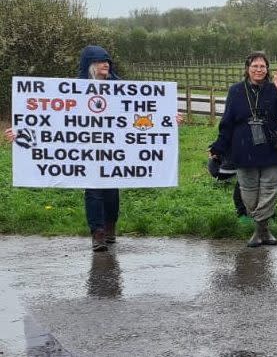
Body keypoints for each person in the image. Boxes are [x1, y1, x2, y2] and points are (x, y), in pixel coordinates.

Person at [4, 45, 183, 252]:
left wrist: (170, 120)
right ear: (89, 65)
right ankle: (97, 233)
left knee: (111, 190)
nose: (105, 64)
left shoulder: (122, 89)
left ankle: (110, 228)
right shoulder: (75, 89)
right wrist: (19, 133)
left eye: (107, 61)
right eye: (99, 61)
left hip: (116, 150)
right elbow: (52, 120)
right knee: (93, 190)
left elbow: (145, 111)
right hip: (86, 151)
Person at [209, 52, 277, 248]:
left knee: (270, 189)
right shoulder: (236, 91)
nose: (259, 70)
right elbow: (227, 122)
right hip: (243, 148)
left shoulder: (274, 90)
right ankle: (263, 229)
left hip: (271, 148)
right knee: (248, 192)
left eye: (262, 67)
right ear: (247, 68)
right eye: (255, 66)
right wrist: (218, 148)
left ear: (268, 69)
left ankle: (259, 232)